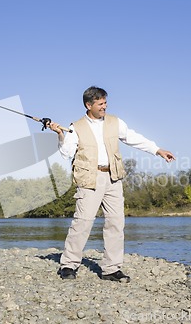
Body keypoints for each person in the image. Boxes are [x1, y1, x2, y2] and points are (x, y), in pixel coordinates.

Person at [48, 86, 175, 282]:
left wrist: (157, 150)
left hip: (114, 177)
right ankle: (68, 265)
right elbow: (66, 153)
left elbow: (134, 138)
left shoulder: (116, 122)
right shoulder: (76, 127)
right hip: (90, 179)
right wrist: (60, 134)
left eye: (105, 102)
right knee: (82, 222)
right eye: (100, 104)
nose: (104, 107)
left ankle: (111, 269)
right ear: (88, 105)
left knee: (116, 223)